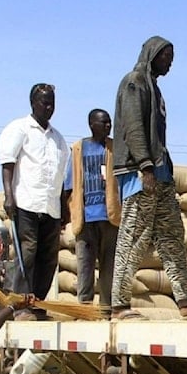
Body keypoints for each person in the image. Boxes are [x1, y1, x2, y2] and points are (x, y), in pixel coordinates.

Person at [110, 36, 187, 320]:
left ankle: (185, 299)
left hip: (159, 172)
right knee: (134, 237)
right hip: (141, 174)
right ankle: (119, 304)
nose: (170, 63)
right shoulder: (134, 82)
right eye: (166, 57)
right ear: (152, 55)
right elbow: (133, 126)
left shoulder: (153, 87)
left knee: (171, 236)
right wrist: (145, 166)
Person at [0, 83, 70, 320]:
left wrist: (64, 207)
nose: (49, 107)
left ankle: (37, 302)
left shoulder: (59, 140)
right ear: (33, 103)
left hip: (50, 206)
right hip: (26, 202)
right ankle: (19, 305)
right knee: (26, 254)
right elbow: (8, 163)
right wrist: (9, 196)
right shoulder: (20, 129)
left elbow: (59, 177)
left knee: (48, 258)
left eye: (52, 103)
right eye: (44, 102)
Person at [63, 108, 119, 313]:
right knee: (84, 266)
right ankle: (85, 309)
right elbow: (69, 184)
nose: (108, 126)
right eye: (103, 122)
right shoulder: (79, 149)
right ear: (91, 125)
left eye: (109, 122)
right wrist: (66, 213)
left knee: (109, 266)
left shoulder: (115, 148)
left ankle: (106, 308)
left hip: (110, 216)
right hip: (85, 217)